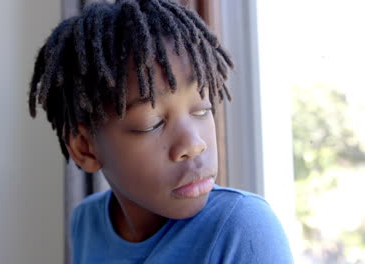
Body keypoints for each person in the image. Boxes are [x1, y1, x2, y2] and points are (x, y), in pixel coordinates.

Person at [28, 0, 293, 262]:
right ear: (85, 148)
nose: (193, 144)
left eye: (202, 109)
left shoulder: (241, 227)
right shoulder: (86, 223)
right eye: (152, 123)